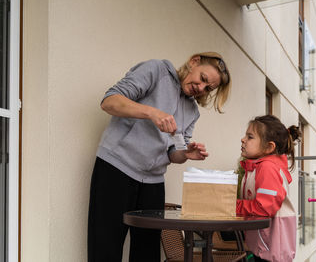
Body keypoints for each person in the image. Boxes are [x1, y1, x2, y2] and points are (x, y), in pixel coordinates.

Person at [88, 52, 231, 262]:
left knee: (147, 254)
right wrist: (151, 112)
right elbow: (109, 101)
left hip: (153, 182)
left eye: (208, 88)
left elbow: (173, 154)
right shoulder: (156, 71)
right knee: (105, 249)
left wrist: (186, 154)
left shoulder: (192, 111)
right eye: (203, 79)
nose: (201, 88)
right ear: (194, 62)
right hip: (116, 169)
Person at [236, 115, 301, 262]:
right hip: (264, 249)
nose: (243, 139)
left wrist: (233, 206)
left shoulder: (267, 168)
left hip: (272, 253)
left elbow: (263, 208)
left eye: (250, 137)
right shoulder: (257, 167)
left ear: (269, 147)